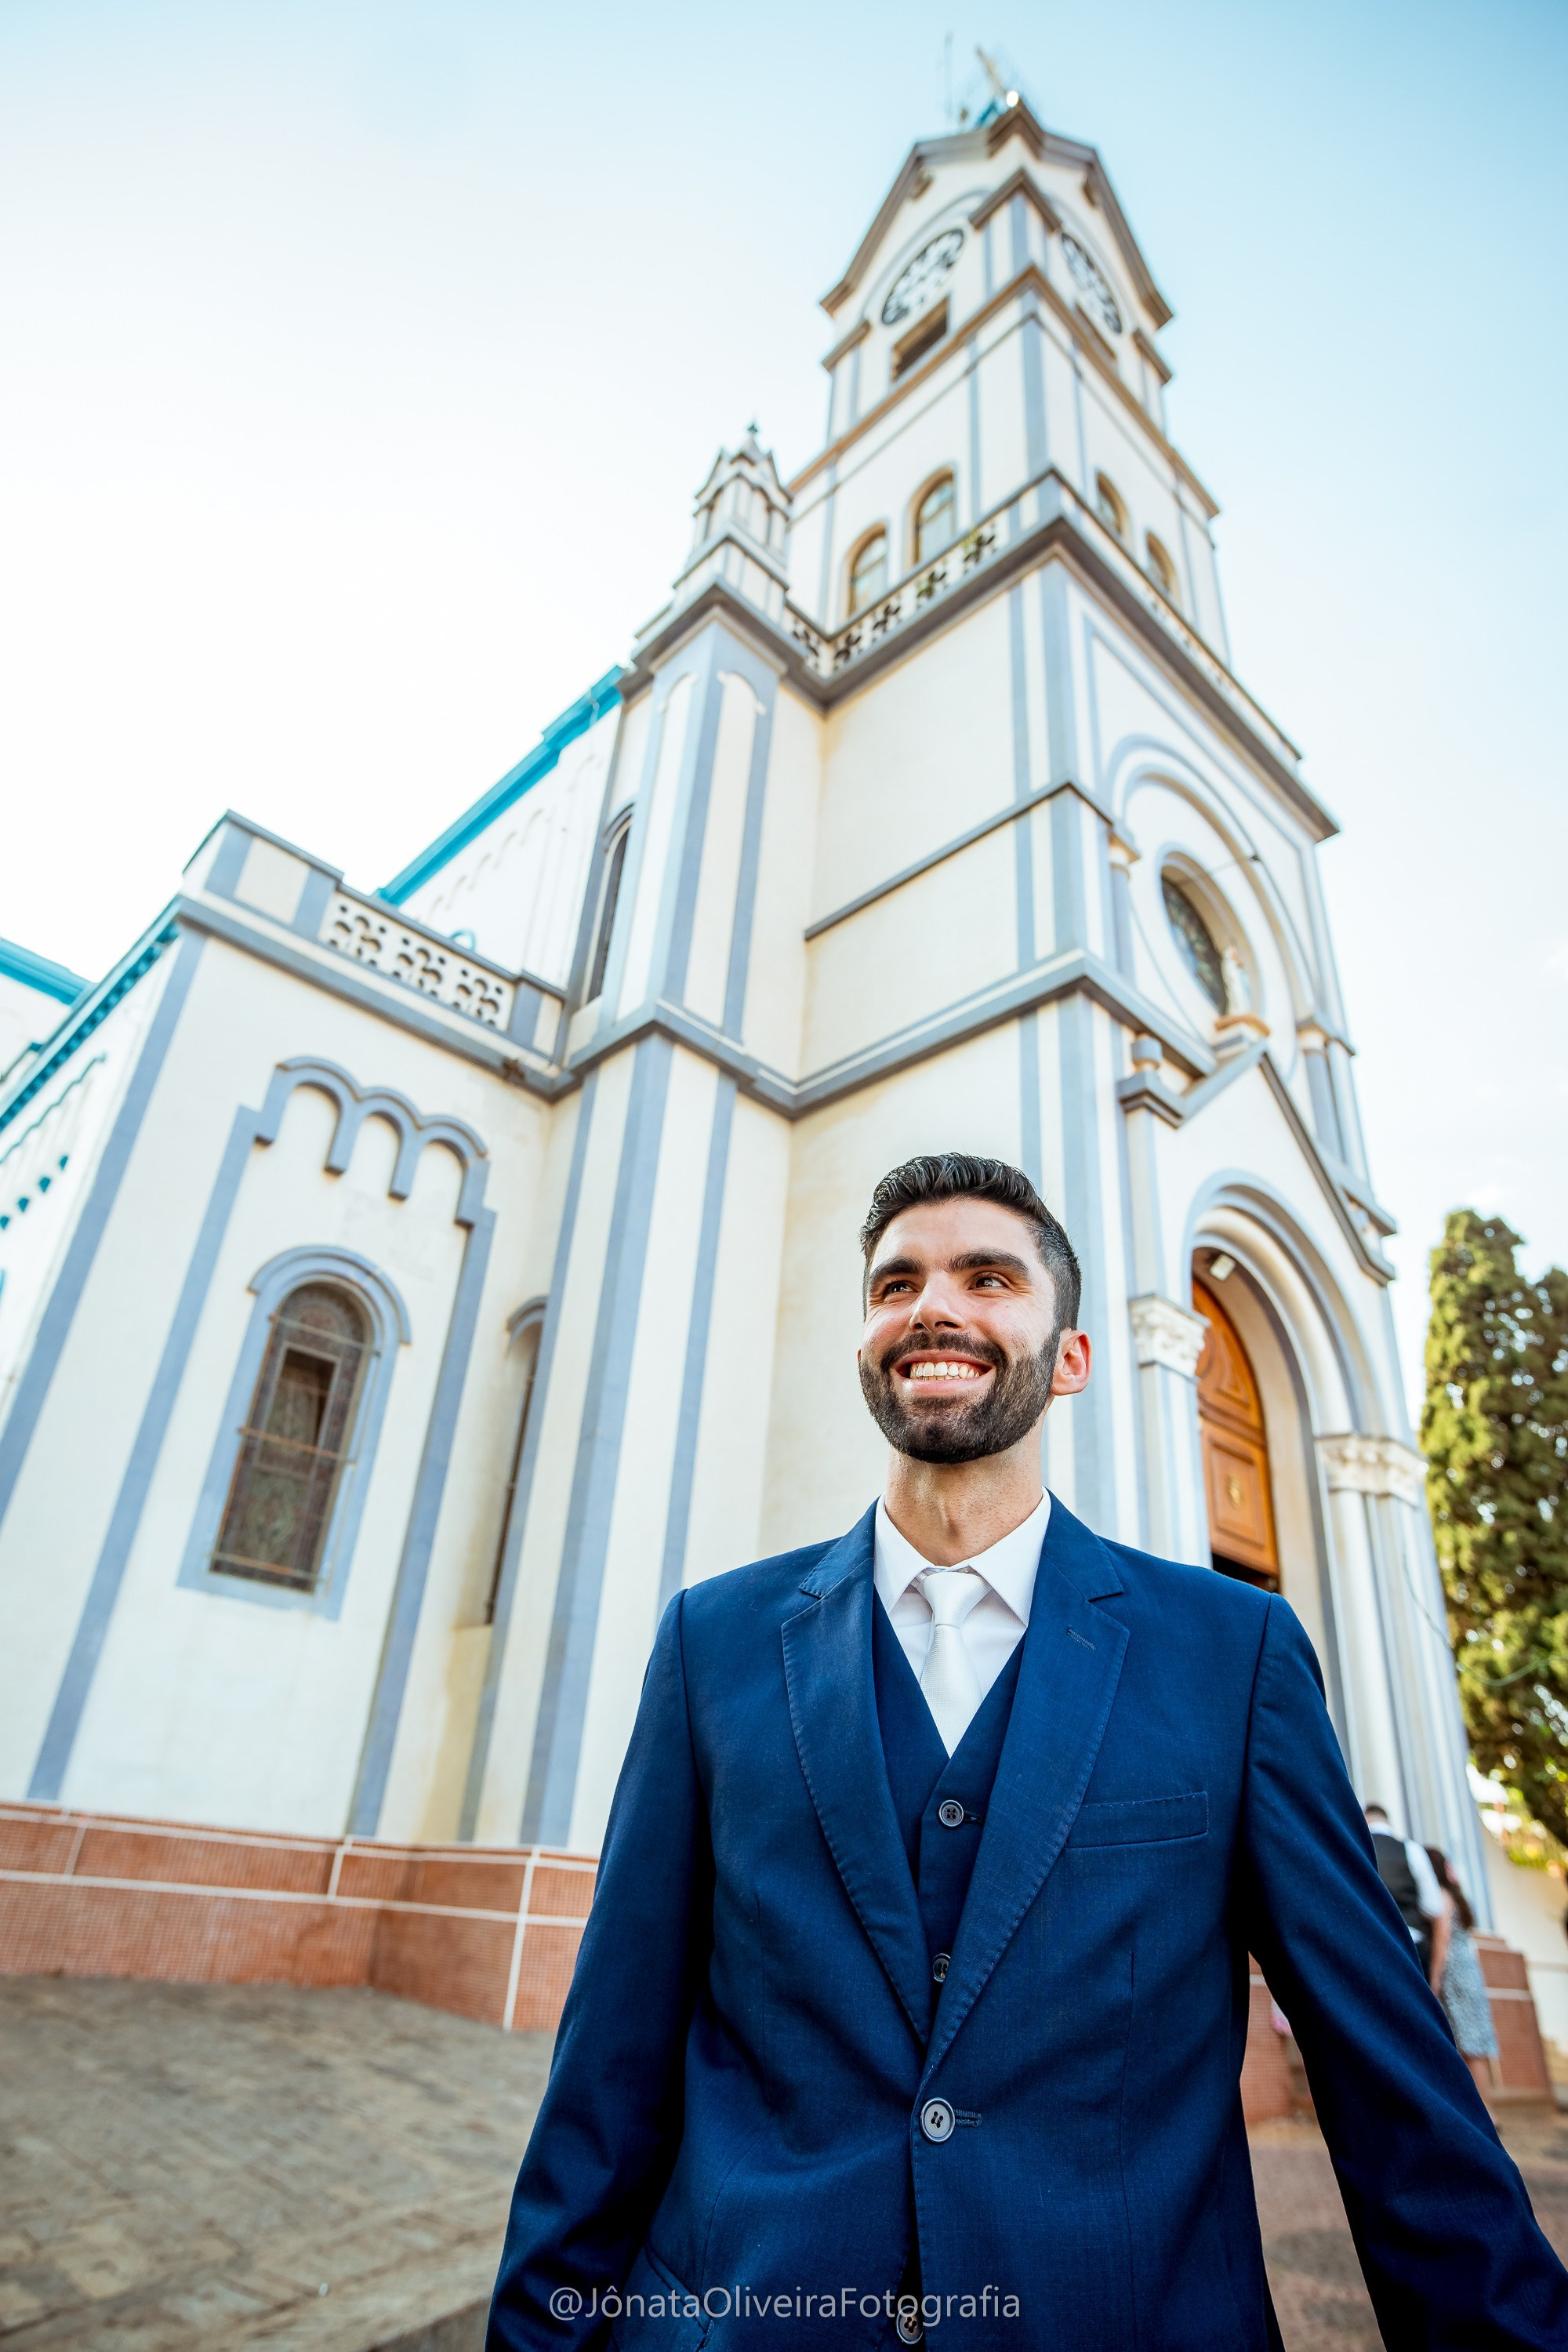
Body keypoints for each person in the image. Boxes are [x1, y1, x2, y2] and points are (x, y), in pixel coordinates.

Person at [488, 1155, 1568, 2349]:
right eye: (896, 1284)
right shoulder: (714, 1642)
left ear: (1071, 1360)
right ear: (866, 1344)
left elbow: (1388, 2082)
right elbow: (611, 2062)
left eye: (987, 1278)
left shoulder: (1232, 1654)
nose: (932, 1307)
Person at [1427, 1845, 1501, 2097]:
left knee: (1468, 2046)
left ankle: (1485, 2110)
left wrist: (1434, 1980)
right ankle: (1487, 2108)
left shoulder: (1442, 1898)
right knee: (1475, 2044)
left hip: (1455, 1976)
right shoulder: (1456, 1897)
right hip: (1470, 1972)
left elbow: (1442, 1942)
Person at [1364, 1801, 1449, 1986]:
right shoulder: (1412, 1849)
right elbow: (1433, 1907)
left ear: (1365, 1820)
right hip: (1410, 1946)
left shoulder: (1357, 1849)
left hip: (1369, 1948)